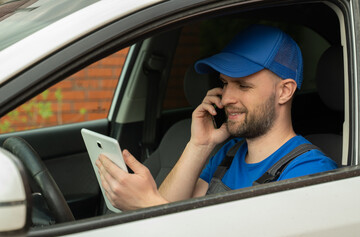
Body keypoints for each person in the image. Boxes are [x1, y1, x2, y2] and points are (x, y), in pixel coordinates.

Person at [96, 24, 338, 211]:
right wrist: (199, 145)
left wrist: (145, 205)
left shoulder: (309, 171)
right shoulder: (230, 153)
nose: (225, 98)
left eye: (243, 85)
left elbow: (158, 210)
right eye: (224, 83)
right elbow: (168, 205)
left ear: (284, 91)